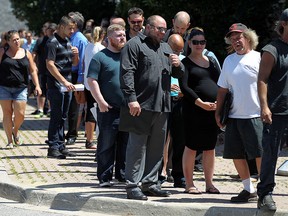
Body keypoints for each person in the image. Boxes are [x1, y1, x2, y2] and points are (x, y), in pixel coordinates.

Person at [120, 15, 184, 200]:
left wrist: (178, 65)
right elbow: (127, 72)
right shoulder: (134, 45)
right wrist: (131, 99)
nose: (163, 32)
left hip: (163, 105)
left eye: (164, 29)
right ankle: (132, 185)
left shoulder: (165, 47)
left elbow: (178, 73)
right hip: (141, 105)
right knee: (137, 147)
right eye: (159, 29)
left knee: (157, 147)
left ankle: (150, 183)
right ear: (148, 27)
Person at [215, 23, 263, 202]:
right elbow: (222, 89)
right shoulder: (229, 60)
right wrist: (218, 112)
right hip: (234, 116)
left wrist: (267, 109)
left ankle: (264, 190)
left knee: (259, 154)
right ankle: (248, 189)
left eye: (239, 37)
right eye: (232, 38)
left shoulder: (259, 58)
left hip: (255, 114)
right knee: (236, 154)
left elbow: (269, 86)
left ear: (248, 38)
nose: (236, 41)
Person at [180, 28, 220, 194]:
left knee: (210, 147)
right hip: (194, 110)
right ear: (189, 43)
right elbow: (185, 87)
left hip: (212, 111)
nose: (199, 45)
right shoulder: (185, 63)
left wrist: (219, 101)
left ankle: (209, 183)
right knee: (191, 146)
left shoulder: (211, 62)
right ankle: (189, 183)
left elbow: (220, 83)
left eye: (202, 42)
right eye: (195, 42)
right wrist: (200, 103)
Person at [87, 24, 128, 186]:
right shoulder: (100, 57)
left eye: (123, 35)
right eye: (118, 35)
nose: (122, 38)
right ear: (109, 38)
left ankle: (122, 175)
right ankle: (104, 177)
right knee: (106, 144)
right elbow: (92, 80)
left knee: (125, 143)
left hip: (127, 108)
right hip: (108, 108)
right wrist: (101, 101)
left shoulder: (128, 56)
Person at [257, 8, 288, 211]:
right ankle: (265, 194)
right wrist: (264, 106)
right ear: (284, 25)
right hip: (276, 112)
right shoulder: (272, 50)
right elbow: (262, 79)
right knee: (270, 155)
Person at [0, 30, 41, 148]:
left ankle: (15, 130)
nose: (17, 41)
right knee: (7, 114)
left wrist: (37, 85)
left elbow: (33, 70)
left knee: (20, 114)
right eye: (14, 40)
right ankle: (9, 141)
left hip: (21, 88)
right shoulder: (3, 52)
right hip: (4, 87)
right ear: (8, 41)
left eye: (18, 39)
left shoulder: (26, 53)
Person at [45, 16, 79, 159]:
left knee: (63, 116)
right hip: (56, 86)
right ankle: (53, 147)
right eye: (69, 28)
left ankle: (60, 145)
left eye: (73, 28)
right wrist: (63, 81)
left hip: (67, 85)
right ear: (61, 27)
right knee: (56, 116)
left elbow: (73, 64)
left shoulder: (68, 41)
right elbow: (50, 64)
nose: (72, 31)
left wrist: (76, 56)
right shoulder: (52, 42)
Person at [160, 34, 186, 188]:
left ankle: (179, 175)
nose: (177, 53)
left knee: (180, 140)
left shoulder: (182, 60)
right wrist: (167, 87)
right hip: (164, 101)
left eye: (180, 51)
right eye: (175, 50)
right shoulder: (160, 57)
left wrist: (184, 91)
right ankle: (160, 172)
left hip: (180, 101)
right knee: (162, 139)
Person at [65, 11, 88, 145]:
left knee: (74, 107)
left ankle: (72, 134)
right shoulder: (67, 36)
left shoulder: (80, 39)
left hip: (75, 75)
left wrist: (80, 78)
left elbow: (83, 60)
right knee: (66, 106)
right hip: (66, 73)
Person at [83, 26, 106, 149]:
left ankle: (88, 138)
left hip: (87, 82)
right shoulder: (101, 49)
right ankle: (92, 140)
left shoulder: (88, 46)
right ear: (103, 35)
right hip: (97, 83)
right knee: (95, 112)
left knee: (89, 110)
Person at [32, 22, 57, 117]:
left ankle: (50, 110)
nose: (51, 33)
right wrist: (33, 65)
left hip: (53, 70)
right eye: (50, 31)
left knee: (51, 90)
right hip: (42, 69)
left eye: (53, 31)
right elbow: (34, 54)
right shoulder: (41, 41)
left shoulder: (57, 41)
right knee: (41, 89)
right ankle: (40, 109)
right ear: (46, 31)